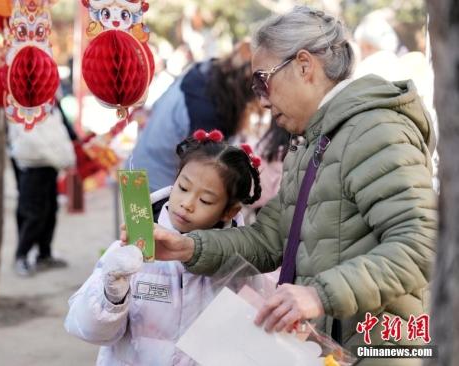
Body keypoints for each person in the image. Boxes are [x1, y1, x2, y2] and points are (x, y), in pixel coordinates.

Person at [127, 6, 437, 364]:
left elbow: (423, 242)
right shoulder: (315, 141)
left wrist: (319, 295)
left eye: (263, 80)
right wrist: (186, 248)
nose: (261, 98)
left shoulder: (374, 131)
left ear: (304, 65)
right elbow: (270, 239)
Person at [64, 129, 262, 365]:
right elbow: (86, 329)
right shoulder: (134, 246)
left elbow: (249, 343)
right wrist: (112, 294)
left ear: (230, 210)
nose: (187, 204)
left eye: (205, 200)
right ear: (175, 178)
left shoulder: (239, 265)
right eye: (184, 188)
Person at [128, 41, 257, 191]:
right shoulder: (207, 113)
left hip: (136, 171)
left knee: (136, 213)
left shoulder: (204, 69)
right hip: (155, 185)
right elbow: (202, 174)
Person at [9, 105, 76, 276]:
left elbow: (60, 134)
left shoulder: (52, 106)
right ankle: (21, 256)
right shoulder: (23, 104)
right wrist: (59, 160)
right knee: (32, 214)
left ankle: (44, 255)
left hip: (51, 168)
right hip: (33, 167)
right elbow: (30, 138)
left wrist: (68, 158)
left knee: (50, 212)